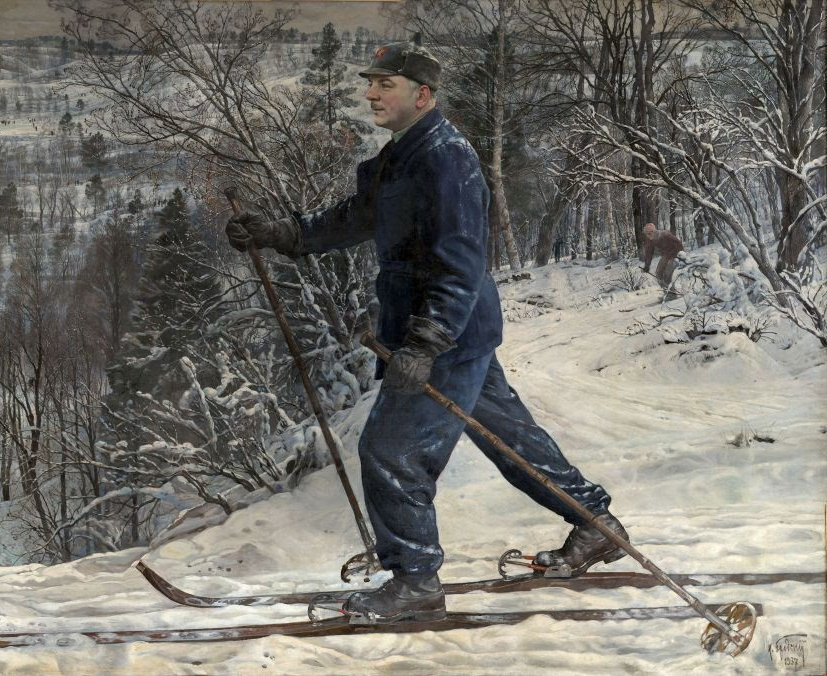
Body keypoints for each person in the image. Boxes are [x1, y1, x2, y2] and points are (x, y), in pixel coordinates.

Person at [225, 41, 628, 623]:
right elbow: (356, 218)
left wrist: (426, 340)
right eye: (371, 83)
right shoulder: (401, 157)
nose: (371, 94)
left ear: (422, 94)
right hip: (449, 332)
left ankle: (414, 580)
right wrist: (282, 232)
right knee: (510, 440)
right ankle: (595, 525)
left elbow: (461, 260)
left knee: (391, 450)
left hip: (443, 335)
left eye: (384, 85)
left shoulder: (447, 158)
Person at [641, 222, 684, 287]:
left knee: (667, 274)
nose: (648, 236)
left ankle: (671, 292)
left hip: (676, 254)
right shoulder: (650, 240)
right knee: (658, 273)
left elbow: (679, 245)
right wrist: (647, 266)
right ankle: (664, 289)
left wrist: (678, 256)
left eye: (649, 233)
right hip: (666, 255)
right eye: (646, 234)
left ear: (654, 231)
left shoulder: (665, 234)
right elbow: (648, 253)